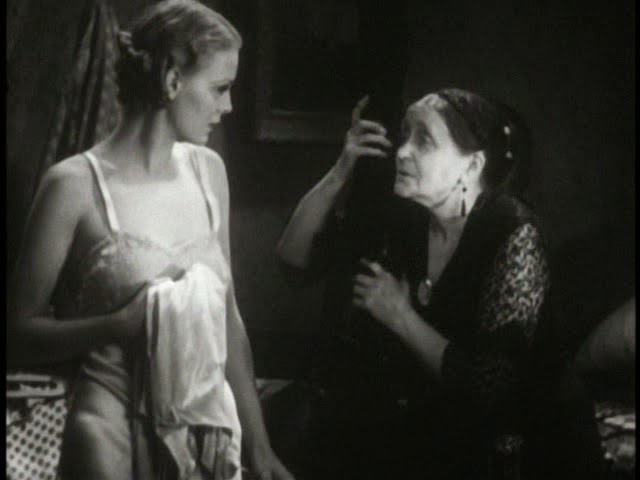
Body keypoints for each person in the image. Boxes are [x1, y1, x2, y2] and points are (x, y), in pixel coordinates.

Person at [7, 1, 294, 479]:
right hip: (108, 440)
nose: (227, 107)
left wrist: (259, 448)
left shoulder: (208, 173)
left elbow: (228, 317)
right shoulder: (73, 186)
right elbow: (16, 336)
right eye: (220, 88)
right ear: (172, 80)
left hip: (200, 442)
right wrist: (116, 325)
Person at [277, 89, 606, 479]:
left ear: (472, 166)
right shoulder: (407, 215)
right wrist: (342, 168)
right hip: (436, 428)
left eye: (425, 141)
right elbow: (292, 262)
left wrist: (401, 316)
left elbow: (491, 390)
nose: (402, 151)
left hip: (525, 446)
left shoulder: (513, 232)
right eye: (404, 134)